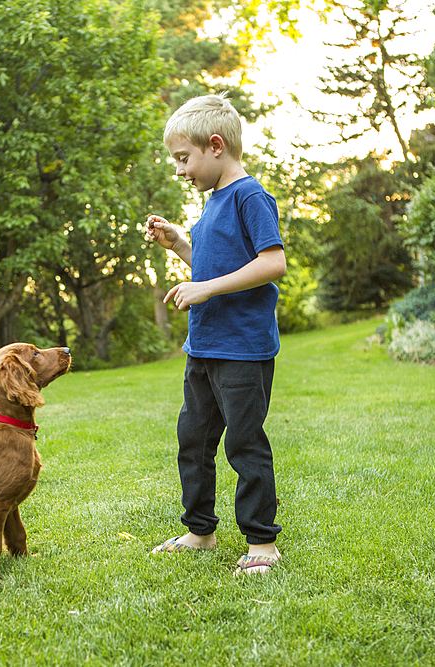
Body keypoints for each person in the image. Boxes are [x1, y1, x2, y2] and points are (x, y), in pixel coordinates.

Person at [145, 93, 286, 575]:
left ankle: (262, 544)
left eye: (184, 159)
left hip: (242, 350)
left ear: (216, 146)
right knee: (194, 441)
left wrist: (204, 288)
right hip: (203, 347)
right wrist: (180, 243)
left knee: (244, 444)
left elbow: (273, 263)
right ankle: (200, 531)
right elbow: (211, 269)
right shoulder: (212, 204)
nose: (180, 170)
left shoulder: (250, 196)